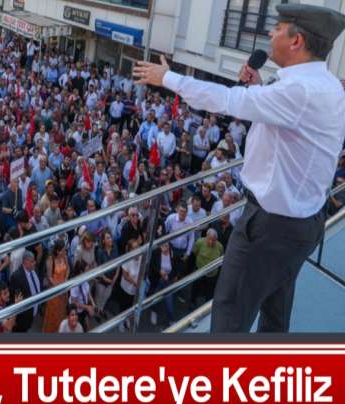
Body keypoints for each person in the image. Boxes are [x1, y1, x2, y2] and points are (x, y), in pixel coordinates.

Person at [134, 4, 345, 332]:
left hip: (270, 228)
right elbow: (285, 121)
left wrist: (168, 78)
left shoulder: (299, 90)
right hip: (302, 223)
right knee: (275, 311)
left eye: (278, 28)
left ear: (296, 41)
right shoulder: (326, 84)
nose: (270, 33)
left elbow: (228, 100)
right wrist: (259, 88)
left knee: (229, 316)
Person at [9, 250, 41, 333]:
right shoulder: (16, 277)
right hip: (22, 319)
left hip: (31, 315)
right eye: (32, 261)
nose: (34, 263)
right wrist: (14, 319)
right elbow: (13, 299)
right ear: (25, 262)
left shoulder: (34, 271)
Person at [41, 239, 70, 333]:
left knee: (62, 311)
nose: (65, 252)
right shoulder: (50, 260)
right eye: (63, 250)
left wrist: (65, 280)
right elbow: (49, 277)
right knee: (53, 312)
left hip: (63, 288)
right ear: (58, 251)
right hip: (54, 289)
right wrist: (58, 289)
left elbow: (68, 268)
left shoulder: (64, 256)